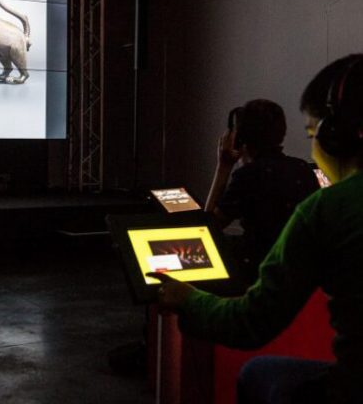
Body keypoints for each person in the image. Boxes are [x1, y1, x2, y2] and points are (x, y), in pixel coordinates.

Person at [152, 54, 363, 404]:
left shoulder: (325, 209)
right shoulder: (302, 171)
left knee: (257, 372)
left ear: (336, 137)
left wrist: (188, 300)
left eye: (314, 133)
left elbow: (251, 321)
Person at [205, 99, 319, 283]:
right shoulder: (302, 168)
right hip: (300, 277)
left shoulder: (249, 175)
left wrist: (223, 167)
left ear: (238, 138)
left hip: (259, 275)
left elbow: (207, 229)